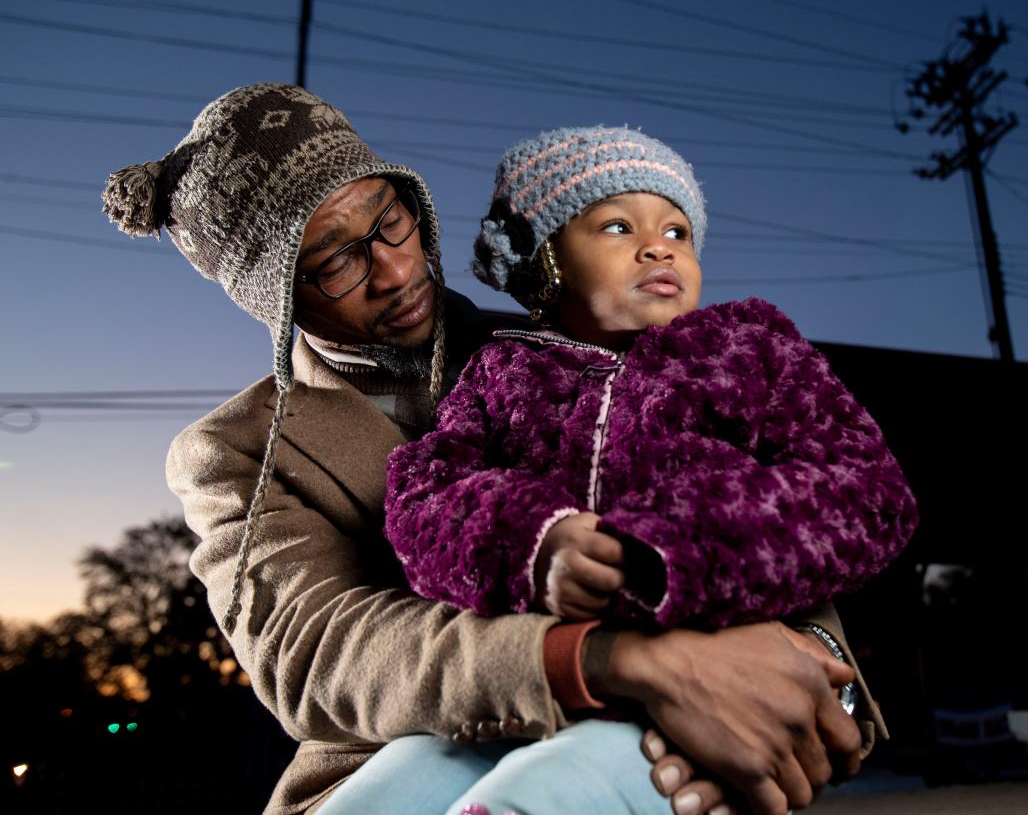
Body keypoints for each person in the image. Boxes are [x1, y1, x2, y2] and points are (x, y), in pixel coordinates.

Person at [102, 84, 888, 815]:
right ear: (275, 299)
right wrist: (620, 662)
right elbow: (322, 653)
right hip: (404, 764)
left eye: (390, 219)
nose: (396, 269)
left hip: (658, 736)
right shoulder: (237, 451)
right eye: (336, 260)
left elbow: (755, 497)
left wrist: (806, 678)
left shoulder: (574, 332)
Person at [383, 127, 918, 813]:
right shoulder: (501, 373)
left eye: (678, 230)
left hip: (701, 702)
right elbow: (425, 493)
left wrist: (672, 547)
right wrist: (535, 539)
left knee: (534, 798)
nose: (658, 245)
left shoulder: (748, 351)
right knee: (398, 779)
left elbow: (866, 488)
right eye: (615, 225)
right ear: (544, 263)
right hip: (544, 692)